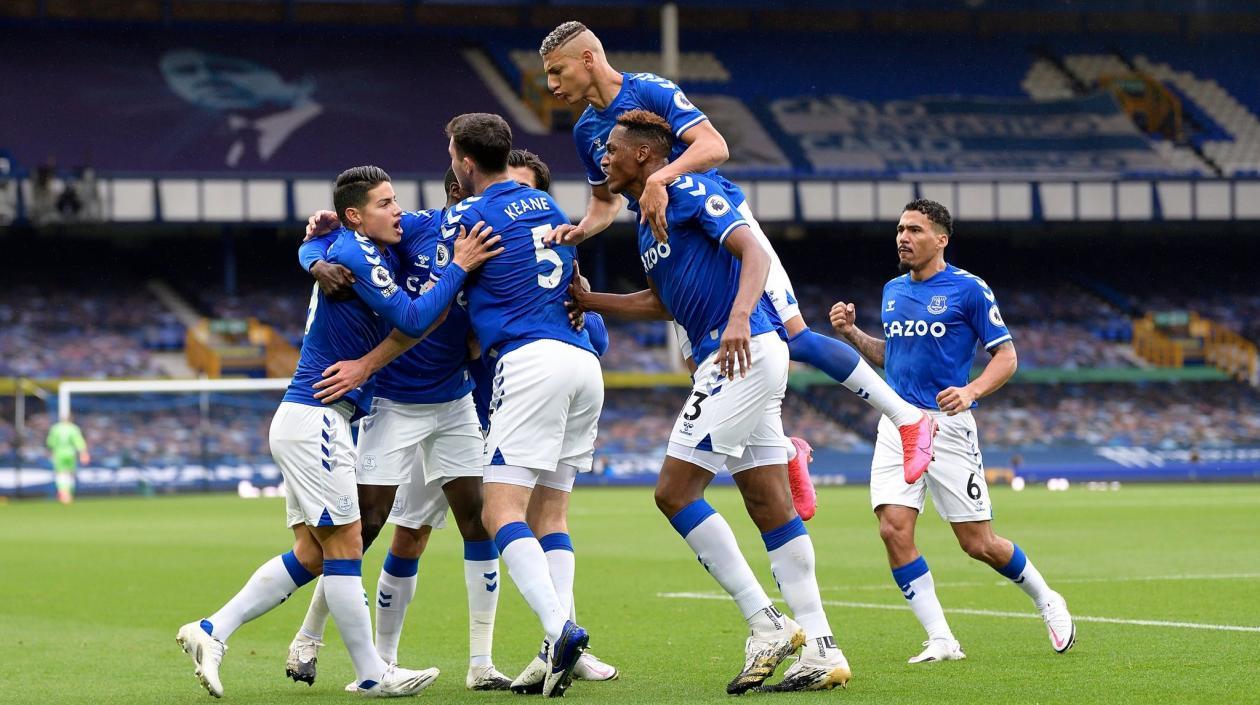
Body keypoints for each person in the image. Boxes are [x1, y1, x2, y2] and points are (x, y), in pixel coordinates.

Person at [536, 20, 935, 507]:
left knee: (794, 336)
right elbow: (604, 205)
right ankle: (786, 447)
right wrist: (580, 229)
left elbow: (714, 146)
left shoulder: (650, 90)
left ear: (587, 60)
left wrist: (663, 178)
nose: (552, 85)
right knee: (705, 366)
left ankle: (908, 418)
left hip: (719, 226)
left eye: (557, 72)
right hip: (670, 247)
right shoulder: (585, 132)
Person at [175, 165, 500, 698]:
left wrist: (312, 253)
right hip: (317, 419)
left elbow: (324, 245)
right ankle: (373, 673)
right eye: (386, 202)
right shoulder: (357, 252)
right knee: (348, 543)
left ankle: (212, 630)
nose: (398, 209)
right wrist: (460, 266)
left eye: (397, 201)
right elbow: (414, 320)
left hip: (312, 421)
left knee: (312, 553)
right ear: (356, 215)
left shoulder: (360, 246)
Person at [570, 110, 850, 693]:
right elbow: (661, 302)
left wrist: (741, 318)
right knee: (770, 503)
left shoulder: (688, 186)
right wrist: (591, 300)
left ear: (645, 155)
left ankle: (765, 622)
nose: (603, 160)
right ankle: (822, 648)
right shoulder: (646, 221)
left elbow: (755, 252)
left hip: (741, 354)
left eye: (612, 150)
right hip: (741, 356)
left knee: (673, 492)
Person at [286, 168, 513, 692]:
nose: (486, 206)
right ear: (456, 192)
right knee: (362, 527)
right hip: (392, 400)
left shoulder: (498, 244)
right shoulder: (413, 227)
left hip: (455, 401)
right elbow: (327, 239)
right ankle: (310, 636)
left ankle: (481, 663)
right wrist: (315, 262)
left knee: (477, 521)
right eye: (477, 194)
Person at [829, 199, 1076, 663]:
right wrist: (852, 334)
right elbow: (893, 355)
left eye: (915, 230)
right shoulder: (891, 290)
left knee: (977, 543)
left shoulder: (969, 290)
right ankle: (941, 638)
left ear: (941, 239)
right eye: (901, 229)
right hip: (897, 420)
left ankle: (1047, 599)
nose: (903, 237)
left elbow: (1007, 357)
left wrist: (970, 390)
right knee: (892, 529)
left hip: (948, 428)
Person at [445, 112, 600, 698]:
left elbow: (431, 267)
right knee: (552, 515)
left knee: (499, 511)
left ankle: (560, 630)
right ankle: (558, 644)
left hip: (530, 363)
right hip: (584, 362)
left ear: (463, 162)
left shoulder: (469, 217)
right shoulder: (549, 209)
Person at [46, 415, 89, 505]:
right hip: (70, 454)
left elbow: (50, 442)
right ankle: (68, 493)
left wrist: (50, 452)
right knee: (70, 473)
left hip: (59, 454)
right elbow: (79, 441)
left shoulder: (55, 428)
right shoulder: (73, 428)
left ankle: (63, 492)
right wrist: (83, 453)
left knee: (61, 473)